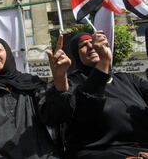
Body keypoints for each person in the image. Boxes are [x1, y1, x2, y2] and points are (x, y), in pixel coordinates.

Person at [45, 31, 148, 159]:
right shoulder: (71, 83)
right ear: (75, 55)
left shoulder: (128, 79)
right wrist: (103, 62)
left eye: (93, 42)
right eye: (83, 45)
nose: (91, 46)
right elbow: (85, 109)